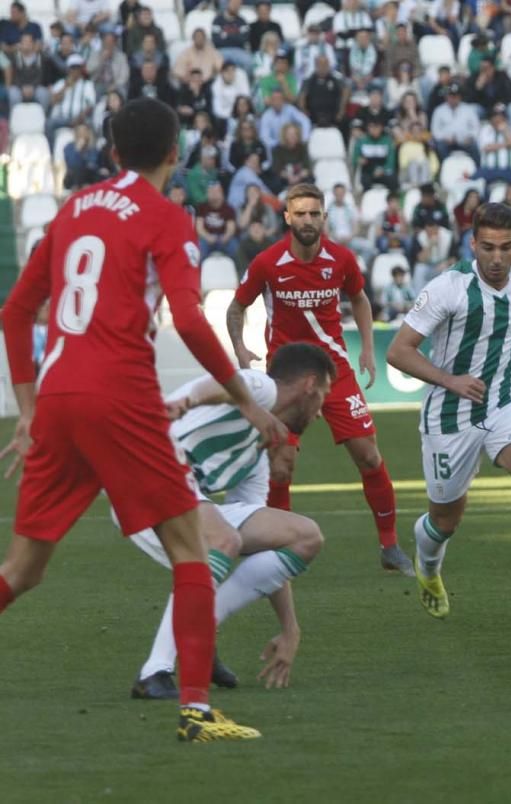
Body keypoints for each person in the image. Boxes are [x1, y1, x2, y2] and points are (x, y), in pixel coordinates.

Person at [0, 96, 285, 741]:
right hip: (121, 399)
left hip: (60, 397)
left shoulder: (73, 208)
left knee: (22, 569)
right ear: (174, 153)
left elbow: (16, 314)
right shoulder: (164, 217)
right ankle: (195, 710)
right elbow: (188, 317)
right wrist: (245, 398)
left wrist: (27, 411)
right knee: (196, 549)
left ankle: (191, 702)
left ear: (112, 151)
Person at [386, 202, 511, 626]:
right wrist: (449, 379)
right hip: (450, 413)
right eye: (487, 247)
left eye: (505, 248)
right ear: (473, 244)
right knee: (445, 519)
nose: (496, 258)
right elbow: (399, 351)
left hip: (506, 399)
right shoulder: (447, 288)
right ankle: (429, 567)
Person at [227, 183, 415, 574]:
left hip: (335, 372)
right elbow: (236, 307)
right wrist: (241, 349)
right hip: (287, 378)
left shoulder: (342, 259)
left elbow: (360, 298)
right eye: (301, 214)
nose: (308, 220)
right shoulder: (267, 263)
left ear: (324, 217)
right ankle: (279, 548)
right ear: (287, 218)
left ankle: (390, 546)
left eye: (315, 213)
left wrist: (366, 347)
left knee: (368, 455)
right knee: (281, 466)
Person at [130, 343, 335, 699]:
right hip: (146, 473)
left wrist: (290, 628)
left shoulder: (256, 458)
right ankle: (155, 671)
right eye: (324, 397)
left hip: (181, 495)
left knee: (304, 537)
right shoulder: (260, 385)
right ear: (310, 385)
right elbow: (218, 384)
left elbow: (264, 550)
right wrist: (188, 401)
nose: (320, 413)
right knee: (222, 540)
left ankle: (199, 632)